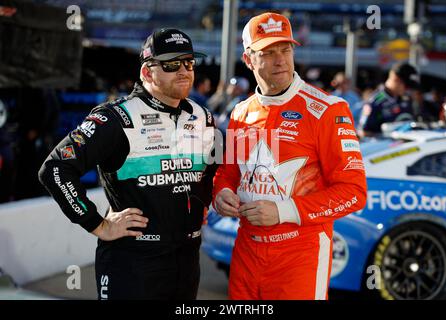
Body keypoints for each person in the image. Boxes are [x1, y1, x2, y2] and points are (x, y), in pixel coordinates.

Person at [39, 28, 217, 300]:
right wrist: (97, 223)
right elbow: (55, 169)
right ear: (147, 72)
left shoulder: (202, 116)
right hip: (133, 264)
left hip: (187, 261)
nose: (183, 70)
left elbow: (212, 172)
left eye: (188, 62)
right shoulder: (117, 117)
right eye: (170, 64)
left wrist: (215, 196)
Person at [212, 12, 367, 300]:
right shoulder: (240, 112)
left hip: (300, 254)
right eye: (268, 53)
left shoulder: (328, 109)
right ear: (248, 60)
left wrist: (284, 211)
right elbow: (228, 174)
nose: (280, 60)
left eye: (285, 49)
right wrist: (220, 193)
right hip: (246, 250)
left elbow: (354, 193)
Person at [358, 62, 419, 137]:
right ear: (395, 79)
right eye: (407, 87)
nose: (409, 91)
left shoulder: (406, 98)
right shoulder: (375, 102)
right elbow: (364, 133)